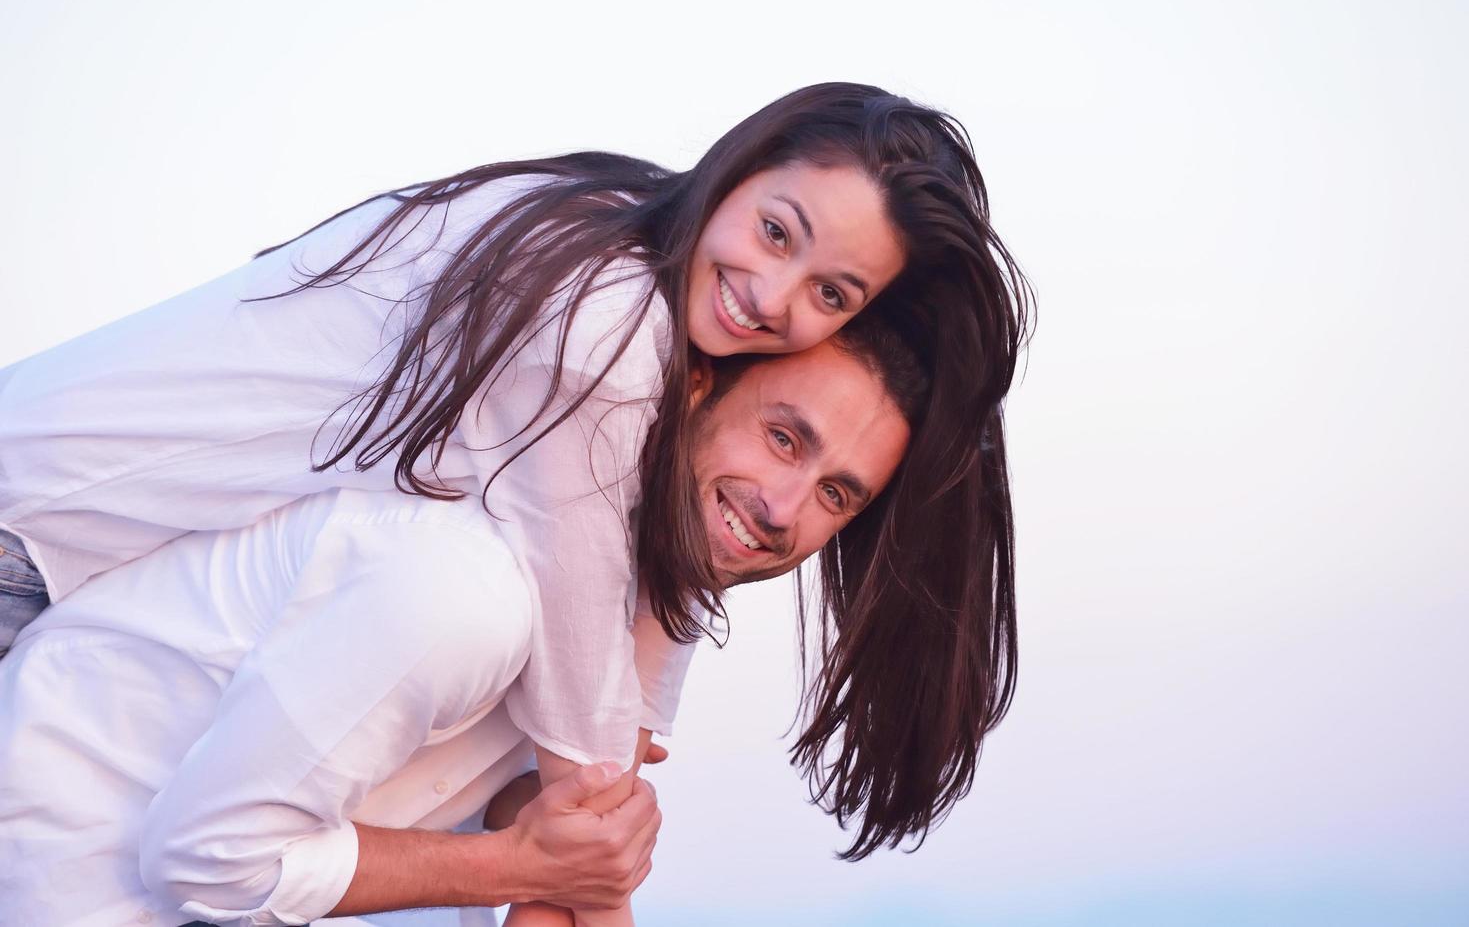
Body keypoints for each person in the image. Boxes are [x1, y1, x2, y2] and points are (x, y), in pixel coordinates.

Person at [0, 81, 1029, 890]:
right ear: (740, 168)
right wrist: (585, 848)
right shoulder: (603, 322)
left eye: (830, 293)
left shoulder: (633, 287)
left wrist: (589, 821)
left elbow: (626, 683)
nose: (773, 296)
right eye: (775, 231)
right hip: (27, 530)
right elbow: (586, 755)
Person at [0, 323, 919, 926]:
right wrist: (524, 862)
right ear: (691, 395)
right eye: (783, 438)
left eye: (834, 493)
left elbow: (528, 817)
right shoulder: (462, 585)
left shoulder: (639, 606)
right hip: (64, 880)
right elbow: (208, 863)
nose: (783, 506)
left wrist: (568, 846)